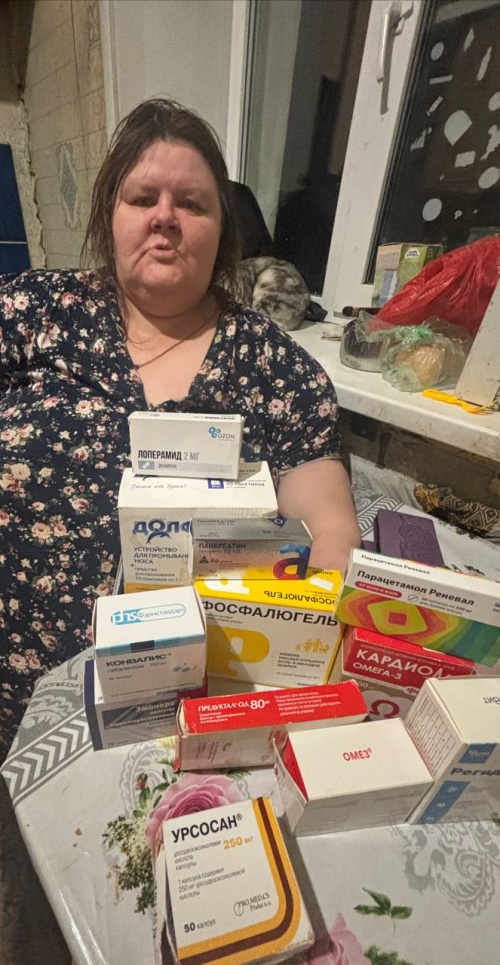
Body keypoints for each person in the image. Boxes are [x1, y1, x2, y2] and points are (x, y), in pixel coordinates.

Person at [0, 98, 360, 763]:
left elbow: (328, 529)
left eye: (192, 203)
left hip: (187, 718)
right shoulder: (32, 312)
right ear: (110, 216)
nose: (165, 216)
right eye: (143, 198)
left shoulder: (274, 365)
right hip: (14, 700)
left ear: (224, 231)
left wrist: (312, 651)